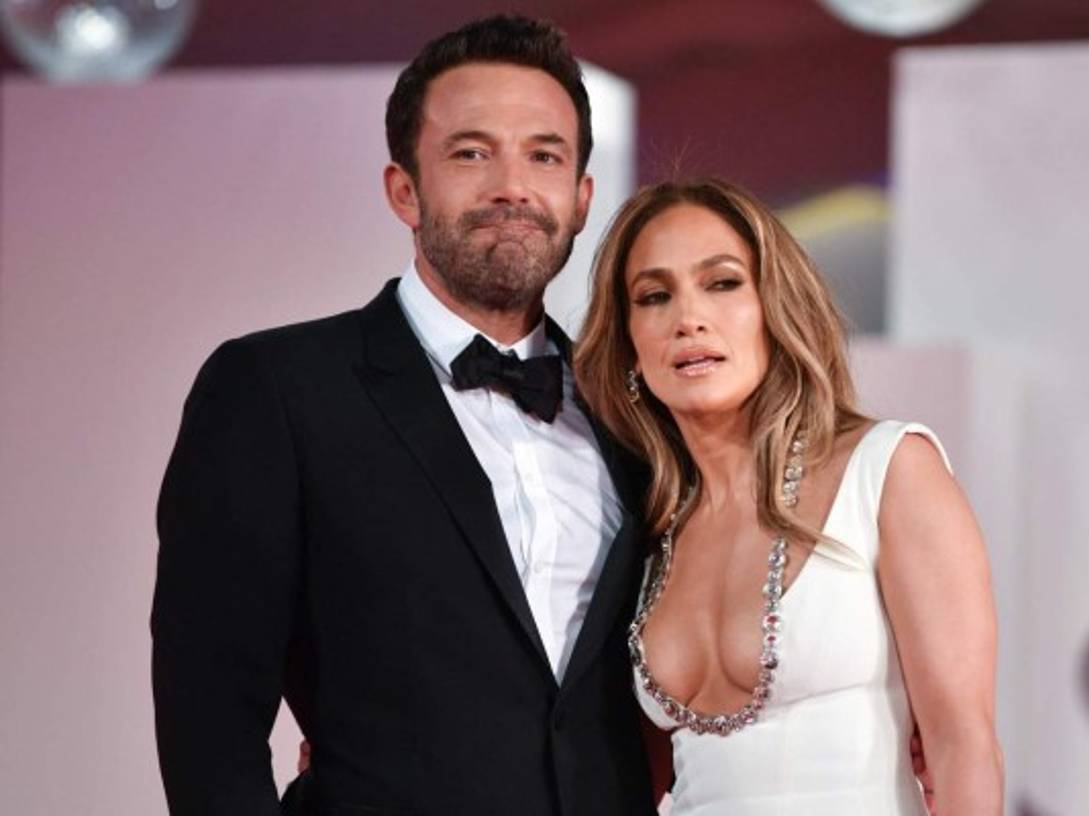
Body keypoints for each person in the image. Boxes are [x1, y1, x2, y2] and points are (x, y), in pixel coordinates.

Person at [150, 16, 659, 815]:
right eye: (470, 152)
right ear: (403, 190)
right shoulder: (277, 390)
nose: (512, 187)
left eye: (544, 155)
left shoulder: (638, 414)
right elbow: (208, 714)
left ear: (582, 198)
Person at [571, 178, 1004, 814]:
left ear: (775, 307)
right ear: (630, 344)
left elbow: (963, 746)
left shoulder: (887, 470)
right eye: (655, 296)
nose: (689, 318)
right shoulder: (644, 529)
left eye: (722, 283)